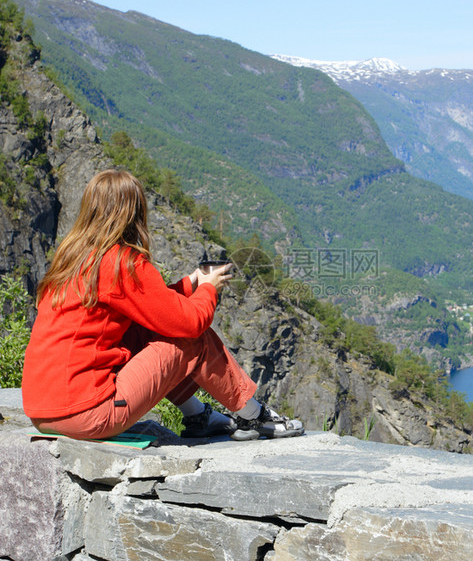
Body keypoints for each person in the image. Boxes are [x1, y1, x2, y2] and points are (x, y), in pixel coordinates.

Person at [21, 169, 304, 442]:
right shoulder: (121, 262)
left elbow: (152, 308)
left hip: (46, 413)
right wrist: (208, 288)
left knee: (145, 332)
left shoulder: (74, 259)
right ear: (134, 214)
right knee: (191, 340)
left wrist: (191, 282)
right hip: (89, 412)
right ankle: (255, 416)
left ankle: (198, 416)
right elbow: (190, 323)